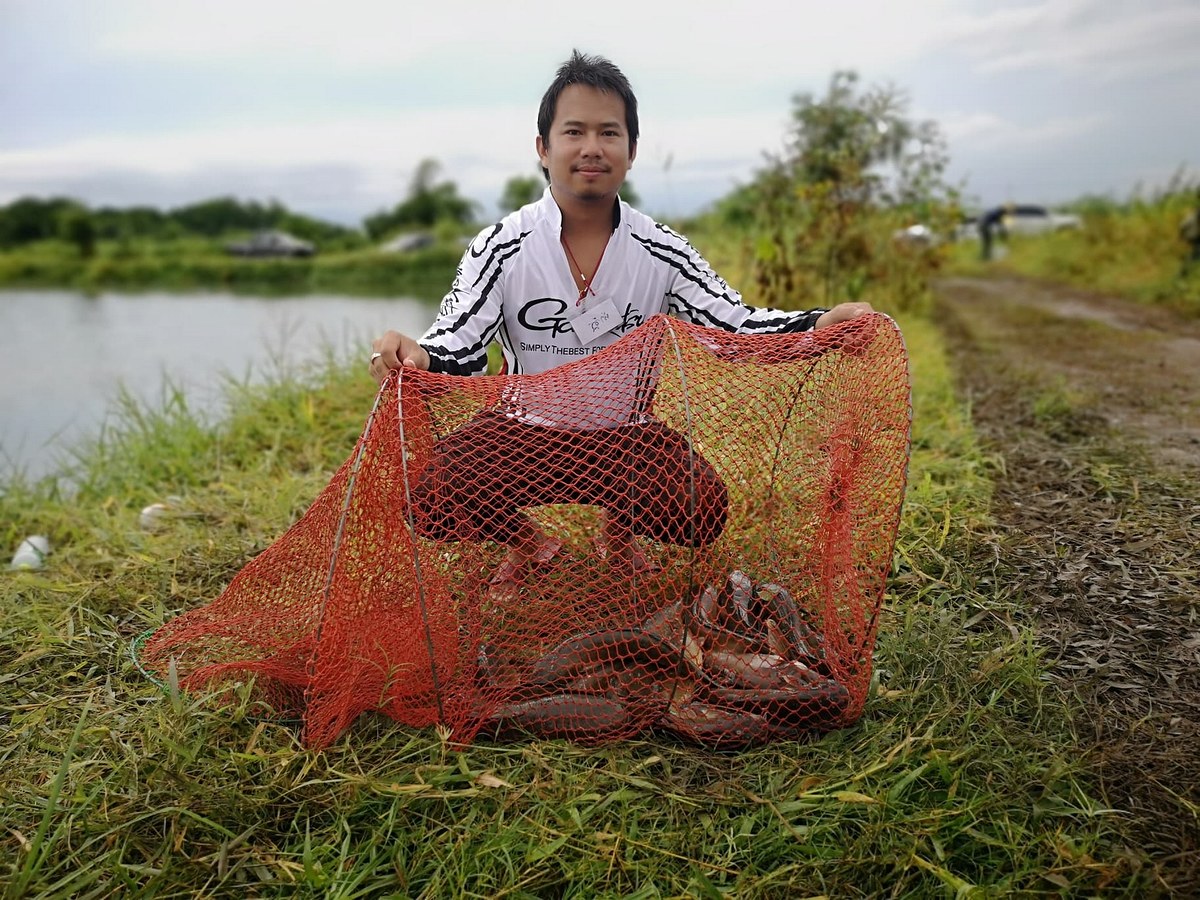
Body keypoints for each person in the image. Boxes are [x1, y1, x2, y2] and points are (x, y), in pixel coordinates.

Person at [370, 50, 873, 585]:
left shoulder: (663, 250)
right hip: (522, 429)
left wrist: (819, 325)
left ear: (631, 151)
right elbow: (460, 346)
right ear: (543, 148)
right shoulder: (500, 246)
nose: (592, 148)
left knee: (699, 508)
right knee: (427, 497)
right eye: (573, 132)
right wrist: (417, 354)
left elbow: (734, 327)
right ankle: (531, 546)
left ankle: (619, 534)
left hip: (625, 435)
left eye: (609, 133)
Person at [1180, 188, 1200, 273]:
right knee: (1195, 254)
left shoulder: (1196, 210)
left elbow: (1183, 225)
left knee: (1195, 253)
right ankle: (1184, 272)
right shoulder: (1197, 211)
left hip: (1193, 235)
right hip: (1195, 235)